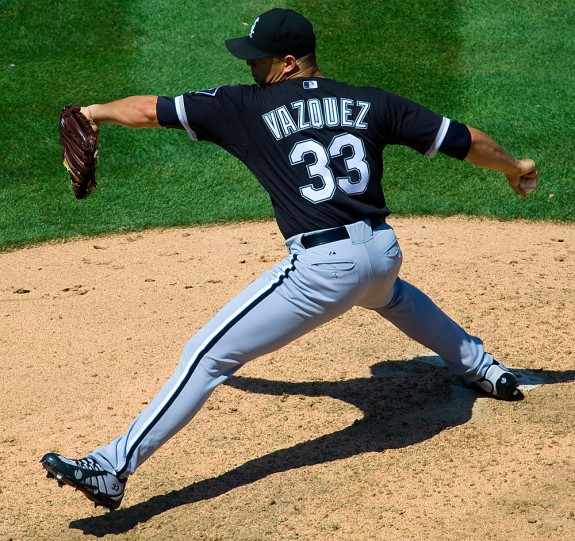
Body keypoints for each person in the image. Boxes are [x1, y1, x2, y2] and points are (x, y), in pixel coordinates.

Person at [41, 8, 539, 511]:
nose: (249, 68)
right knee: (392, 296)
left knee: (207, 355)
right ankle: (484, 368)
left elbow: (151, 110)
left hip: (325, 270)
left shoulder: (244, 107)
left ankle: (112, 466)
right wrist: (514, 167)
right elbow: (464, 140)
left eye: (257, 59)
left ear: (288, 62)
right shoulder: (370, 101)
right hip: (382, 253)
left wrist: (94, 111)